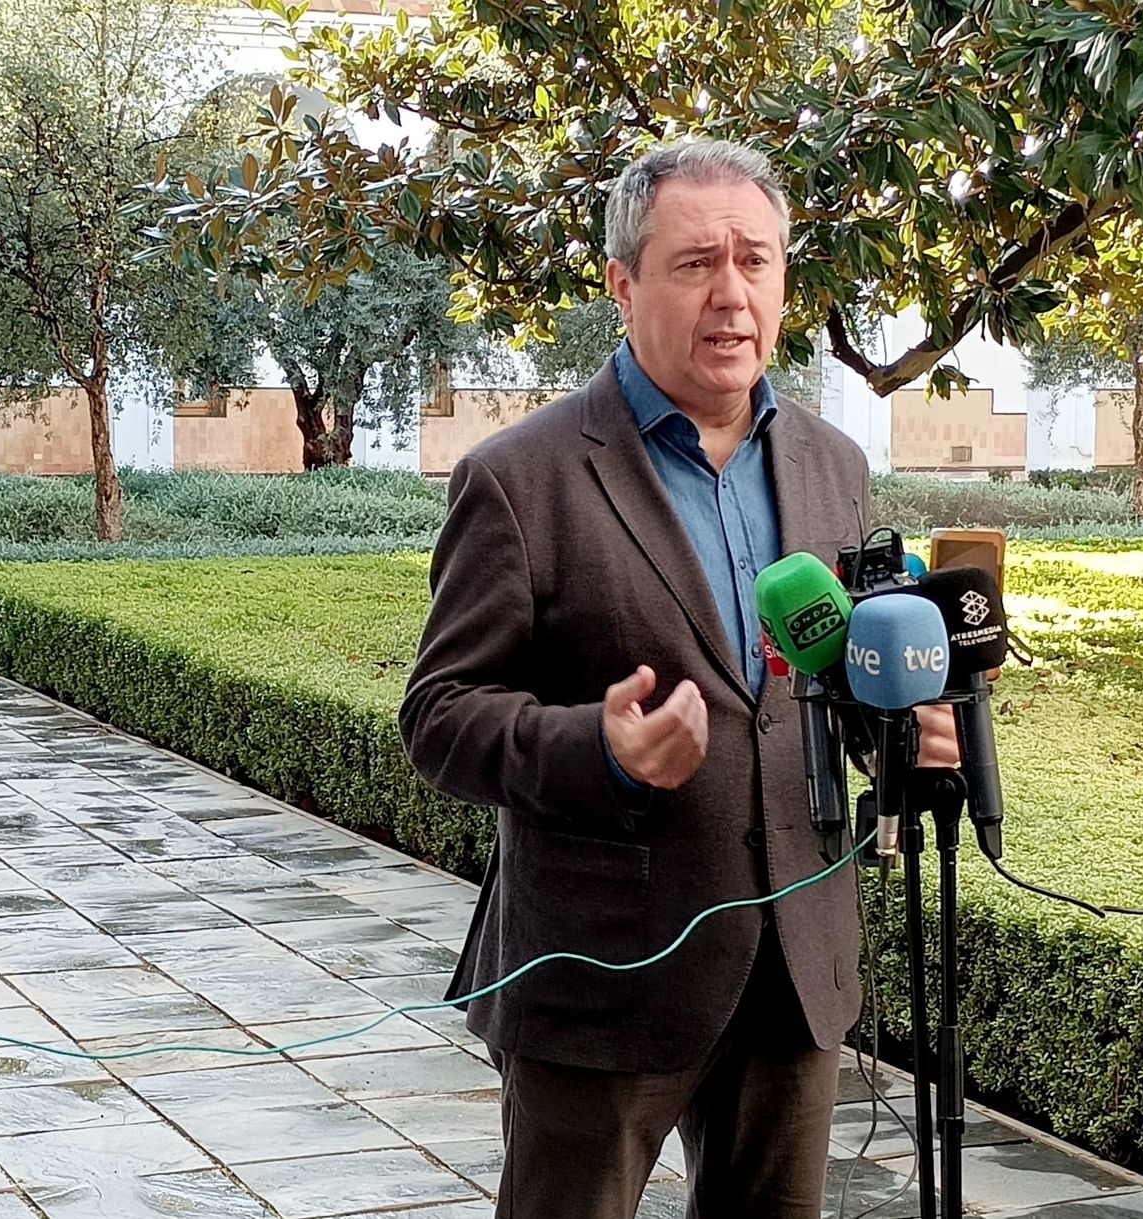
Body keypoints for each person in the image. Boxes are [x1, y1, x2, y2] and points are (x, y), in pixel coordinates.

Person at [398, 139, 960, 1219]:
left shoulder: (831, 466)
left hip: (794, 968)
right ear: (623, 284)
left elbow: (829, 680)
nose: (733, 295)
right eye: (696, 263)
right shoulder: (521, 478)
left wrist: (905, 730)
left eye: (756, 260)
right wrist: (600, 750)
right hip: (602, 974)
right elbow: (439, 716)